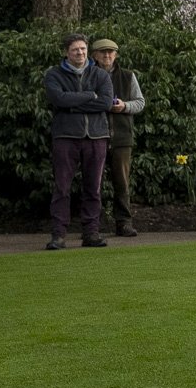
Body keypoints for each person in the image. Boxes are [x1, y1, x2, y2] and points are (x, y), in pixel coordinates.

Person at [45, 32, 118, 250]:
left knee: (93, 188)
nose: (80, 53)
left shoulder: (100, 75)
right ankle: (58, 235)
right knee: (62, 187)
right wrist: (89, 96)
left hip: (96, 136)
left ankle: (91, 233)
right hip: (65, 137)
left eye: (84, 49)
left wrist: (72, 104)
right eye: (76, 49)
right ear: (66, 52)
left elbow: (105, 103)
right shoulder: (54, 75)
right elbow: (58, 99)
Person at [89, 38, 145, 236]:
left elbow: (140, 103)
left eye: (111, 52)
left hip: (122, 136)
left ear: (116, 55)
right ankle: (92, 225)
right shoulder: (88, 76)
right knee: (93, 182)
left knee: (122, 182)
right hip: (94, 135)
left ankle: (124, 222)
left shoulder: (128, 76)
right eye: (103, 52)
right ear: (94, 55)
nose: (107, 56)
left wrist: (124, 106)